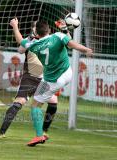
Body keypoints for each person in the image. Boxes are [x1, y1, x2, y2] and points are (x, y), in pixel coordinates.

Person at [10, 18, 93, 146]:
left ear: (36, 34)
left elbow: (20, 41)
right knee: (45, 99)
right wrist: (85, 49)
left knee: (35, 104)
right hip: (67, 73)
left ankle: (39, 136)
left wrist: (15, 26)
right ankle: (44, 130)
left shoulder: (33, 44)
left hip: (52, 80)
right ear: (49, 29)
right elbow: (71, 43)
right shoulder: (58, 36)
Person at [0, 20, 66, 139]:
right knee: (19, 103)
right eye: (34, 27)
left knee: (53, 102)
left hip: (44, 79)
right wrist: (29, 37)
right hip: (29, 78)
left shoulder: (50, 40)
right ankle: (2, 132)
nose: (35, 29)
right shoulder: (30, 41)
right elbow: (20, 50)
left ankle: (44, 131)